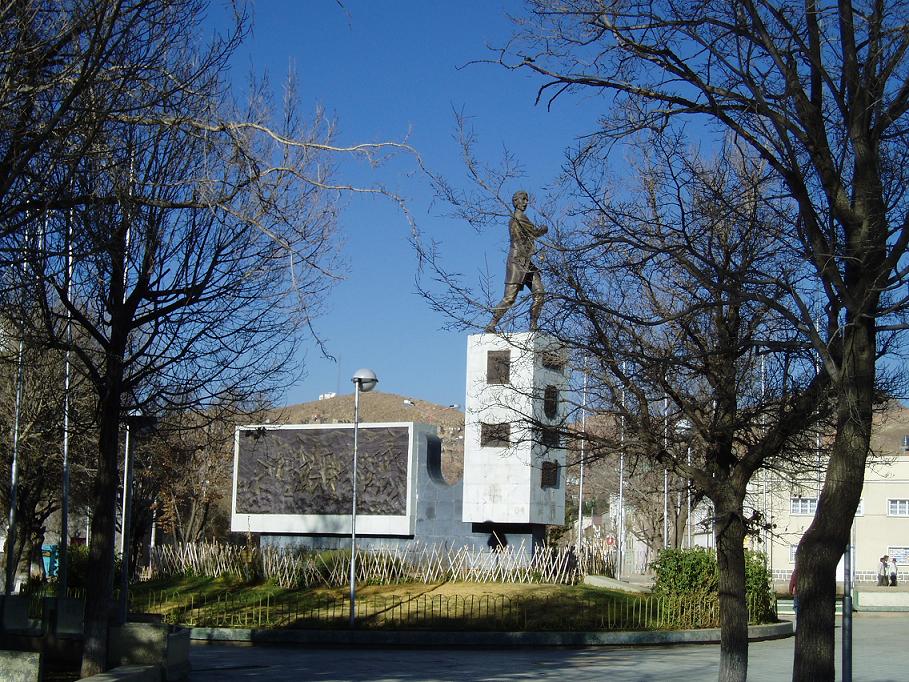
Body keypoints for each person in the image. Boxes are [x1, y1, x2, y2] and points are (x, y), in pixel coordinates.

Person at [485, 190, 548, 333]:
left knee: (539, 293)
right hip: (517, 262)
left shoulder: (518, 217)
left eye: (526, 199)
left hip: (526, 262)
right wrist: (544, 229)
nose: (526, 202)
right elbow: (534, 232)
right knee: (509, 298)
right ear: (515, 202)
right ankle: (492, 324)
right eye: (523, 199)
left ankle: (533, 326)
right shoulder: (519, 217)